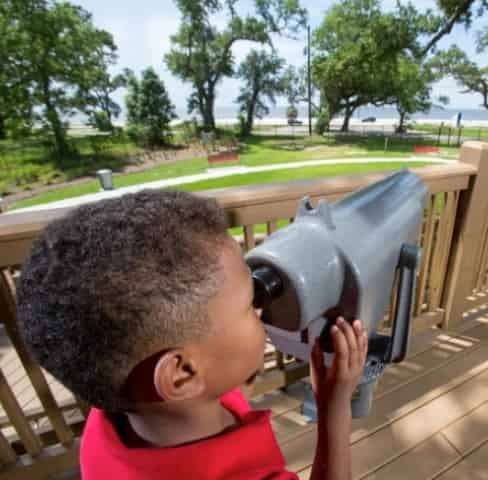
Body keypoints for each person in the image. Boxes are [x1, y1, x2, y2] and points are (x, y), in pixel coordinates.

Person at [15, 190, 368, 480]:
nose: (262, 307)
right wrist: (333, 406)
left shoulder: (111, 419)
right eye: (249, 304)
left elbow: (221, 386)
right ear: (182, 374)